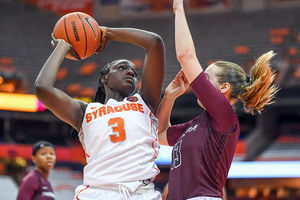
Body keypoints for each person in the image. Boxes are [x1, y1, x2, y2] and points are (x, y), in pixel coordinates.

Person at [156, 0, 279, 199]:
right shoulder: (197, 124)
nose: (199, 80)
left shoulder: (224, 114)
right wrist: (170, 96)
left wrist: (178, 7)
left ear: (224, 88)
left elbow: (186, 55)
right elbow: (160, 134)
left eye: (207, 77)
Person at [34, 26, 165, 200]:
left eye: (134, 71)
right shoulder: (85, 111)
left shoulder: (145, 102)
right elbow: (42, 88)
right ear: (104, 78)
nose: (131, 72)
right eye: (122, 68)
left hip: (140, 194)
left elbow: (154, 43)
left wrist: (109, 34)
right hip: (97, 193)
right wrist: (62, 47)